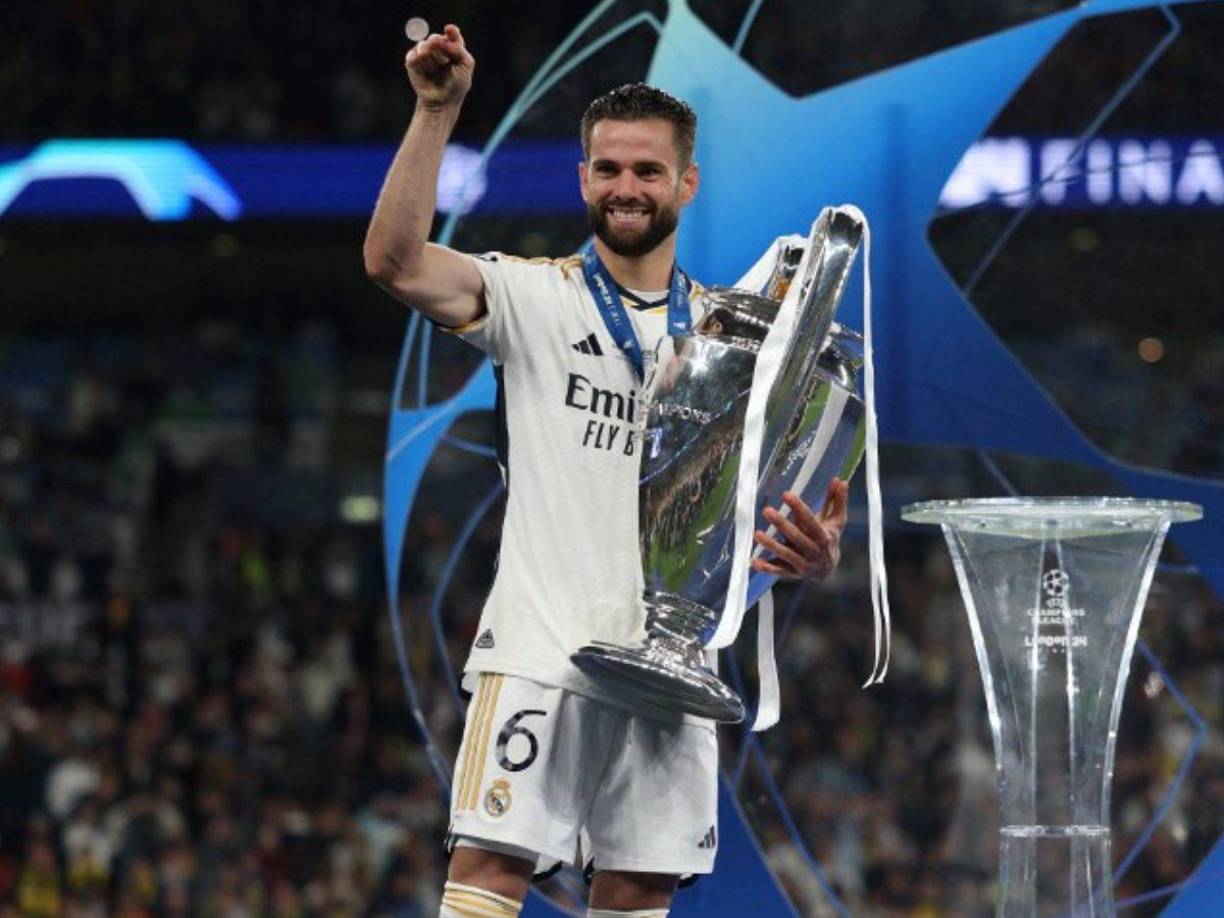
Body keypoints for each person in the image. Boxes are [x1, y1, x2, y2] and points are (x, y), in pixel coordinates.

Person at [364, 24, 849, 918]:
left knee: (637, 892)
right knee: (488, 873)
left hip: (674, 670)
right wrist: (437, 112)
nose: (628, 187)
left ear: (687, 184)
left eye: (649, 171)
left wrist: (809, 556)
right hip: (541, 652)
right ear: (584, 178)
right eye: (611, 169)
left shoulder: (734, 342)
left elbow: (752, 513)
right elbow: (392, 262)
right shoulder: (531, 296)